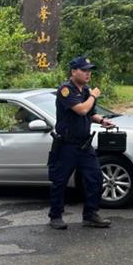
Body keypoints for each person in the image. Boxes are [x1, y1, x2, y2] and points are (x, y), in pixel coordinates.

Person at [48, 55, 115, 230]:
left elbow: (89, 113)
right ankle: (55, 216)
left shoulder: (85, 91)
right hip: (67, 145)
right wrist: (93, 96)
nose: (88, 74)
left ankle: (90, 215)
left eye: (89, 71)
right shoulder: (66, 90)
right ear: (73, 72)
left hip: (84, 145)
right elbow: (81, 110)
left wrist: (102, 121)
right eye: (84, 70)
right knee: (60, 181)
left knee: (95, 178)